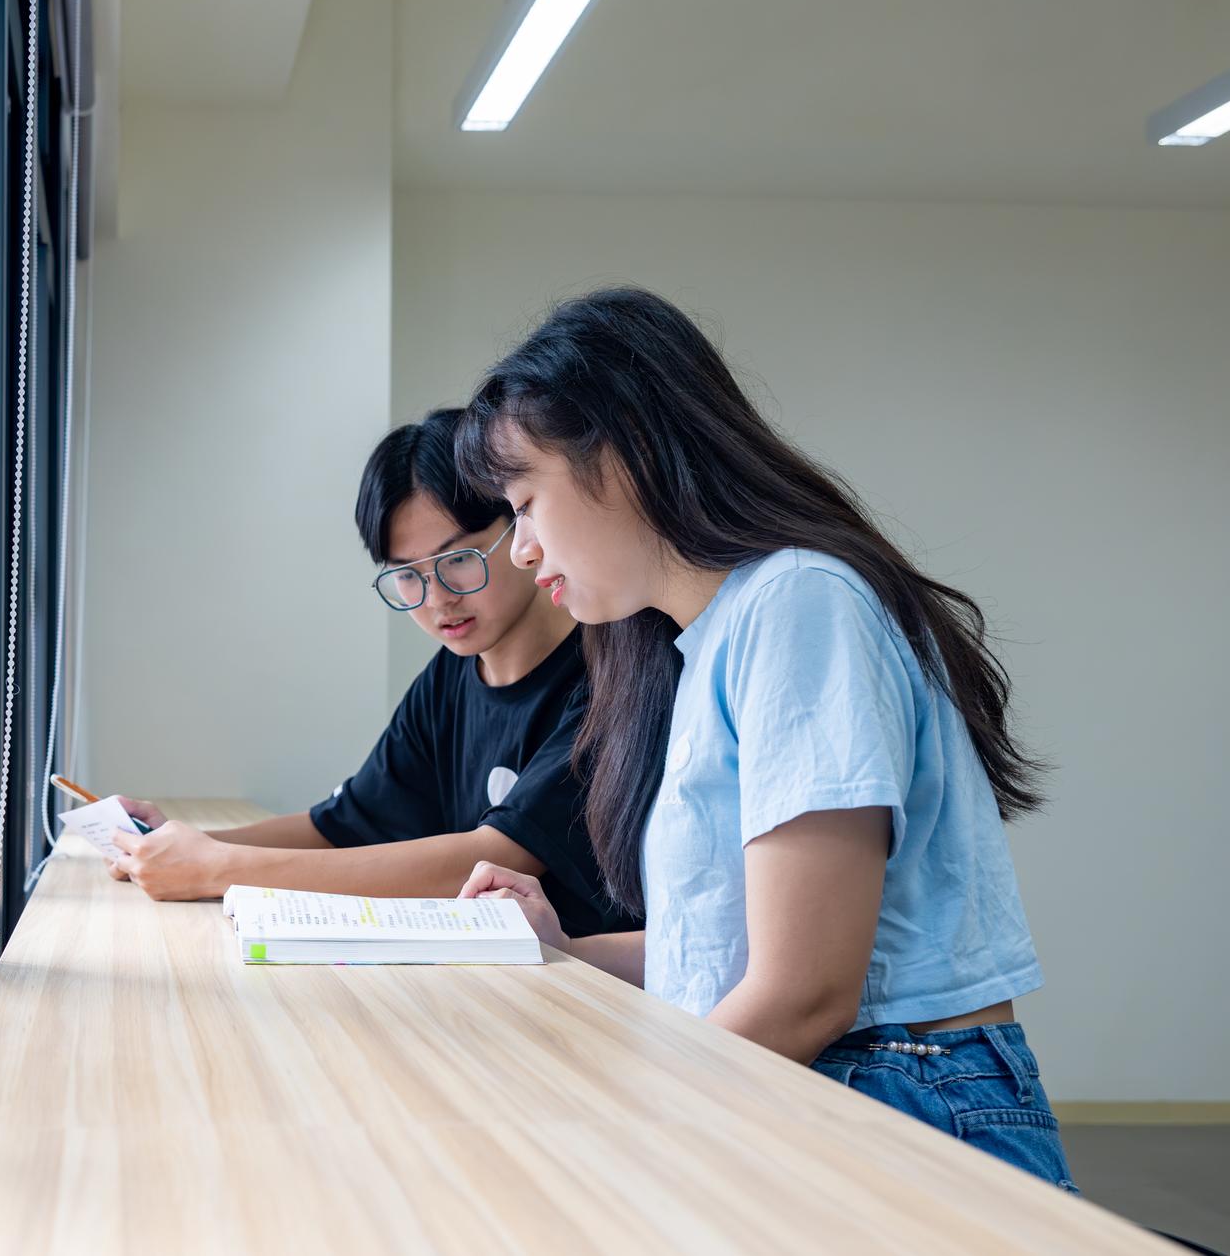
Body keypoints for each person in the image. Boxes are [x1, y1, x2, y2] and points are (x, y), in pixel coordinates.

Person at [452, 286, 1074, 1189]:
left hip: (901, 1100)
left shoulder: (800, 604)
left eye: (525, 503)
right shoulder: (712, 642)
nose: (519, 549)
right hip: (832, 1082)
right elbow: (744, 953)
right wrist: (563, 949)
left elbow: (805, 991)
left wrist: (621, 1130)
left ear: (620, 459)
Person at [111, 408, 627, 939]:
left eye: (458, 559)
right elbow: (343, 826)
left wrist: (216, 867)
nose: (439, 599)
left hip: (582, 994)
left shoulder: (610, 675)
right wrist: (182, 843)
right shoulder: (449, 677)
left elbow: (491, 857)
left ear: (520, 528)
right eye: (407, 575)